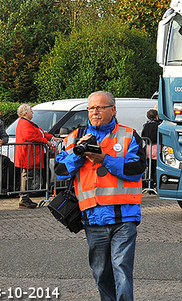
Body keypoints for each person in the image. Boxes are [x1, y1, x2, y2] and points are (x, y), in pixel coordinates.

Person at [55, 91, 145, 301]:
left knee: (121, 268)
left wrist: (104, 158)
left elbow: (137, 169)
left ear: (113, 110)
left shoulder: (128, 135)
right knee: (101, 272)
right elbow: (59, 170)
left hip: (124, 216)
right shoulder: (75, 137)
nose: (94, 111)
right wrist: (78, 154)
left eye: (100, 107)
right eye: (91, 108)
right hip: (92, 217)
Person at [15, 104, 60, 209]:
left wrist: (51, 137)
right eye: (31, 111)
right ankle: (24, 199)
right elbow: (31, 136)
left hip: (30, 154)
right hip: (28, 154)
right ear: (25, 113)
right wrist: (47, 142)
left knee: (28, 176)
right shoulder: (25, 123)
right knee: (27, 176)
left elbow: (40, 133)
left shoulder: (27, 123)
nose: (32, 113)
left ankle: (25, 198)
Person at [141, 109, 160, 185]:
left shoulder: (146, 125)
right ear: (156, 116)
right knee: (156, 167)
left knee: (150, 167)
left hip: (148, 148)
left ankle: (149, 183)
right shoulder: (158, 125)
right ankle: (156, 182)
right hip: (157, 148)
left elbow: (143, 135)